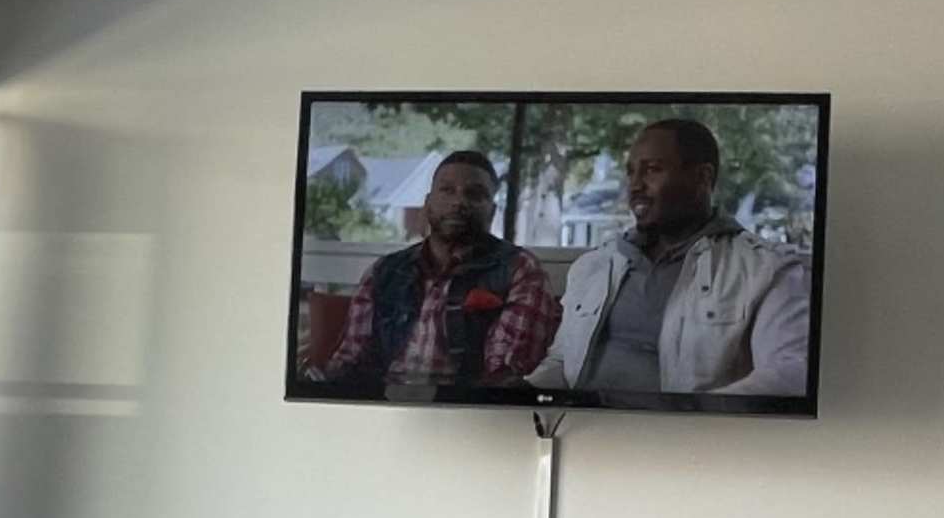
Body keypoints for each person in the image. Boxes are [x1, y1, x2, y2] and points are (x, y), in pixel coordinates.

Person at [534, 116, 812, 398]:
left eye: (652, 170)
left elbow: (789, 373)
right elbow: (561, 363)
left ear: (702, 178)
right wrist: (525, 388)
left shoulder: (765, 270)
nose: (635, 186)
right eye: (631, 173)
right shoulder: (594, 266)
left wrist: (688, 417)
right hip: (579, 430)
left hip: (690, 438)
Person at [303, 149, 557, 392]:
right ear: (427, 203)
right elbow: (351, 360)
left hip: (468, 411)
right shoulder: (384, 271)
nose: (459, 202)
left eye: (475, 194)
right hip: (385, 406)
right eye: (447, 190)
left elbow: (504, 375)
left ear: (492, 211)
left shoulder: (520, 270)